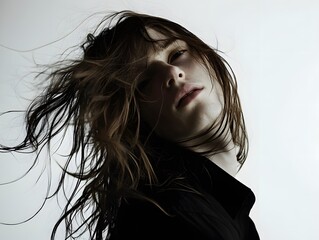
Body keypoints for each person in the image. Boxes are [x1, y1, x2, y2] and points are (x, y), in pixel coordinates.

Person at [0, 10, 260, 240]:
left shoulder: (220, 212)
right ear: (136, 121)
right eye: (143, 82)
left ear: (208, 57)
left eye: (177, 53)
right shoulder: (168, 219)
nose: (171, 73)